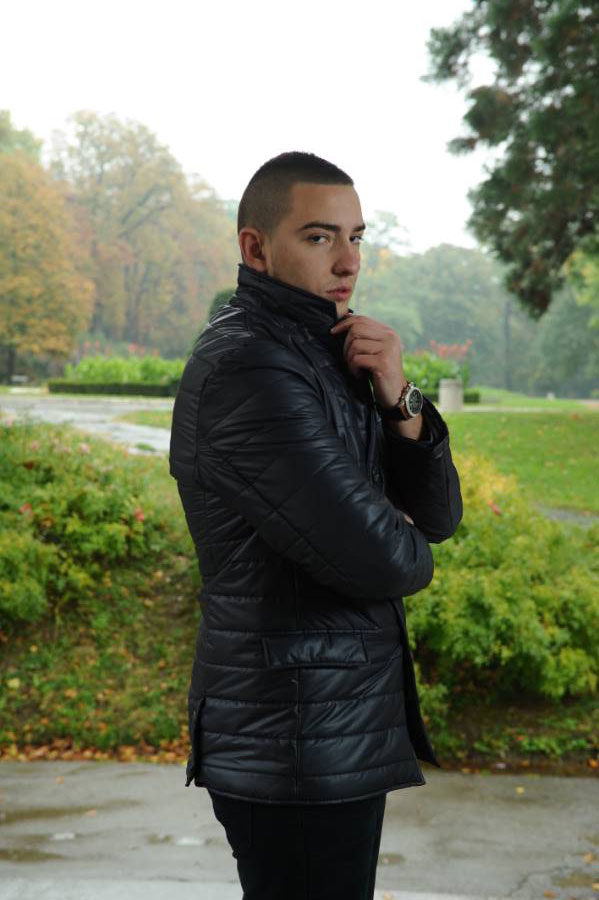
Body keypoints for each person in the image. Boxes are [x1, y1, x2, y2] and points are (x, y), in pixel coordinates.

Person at [169, 151, 463, 900]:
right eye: (319, 236)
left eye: (355, 237)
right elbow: (391, 560)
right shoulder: (250, 368)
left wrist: (398, 393)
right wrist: (396, 531)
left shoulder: (330, 353)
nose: (348, 261)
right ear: (255, 247)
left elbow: (436, 518)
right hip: (291, 738)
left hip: (330, 728)